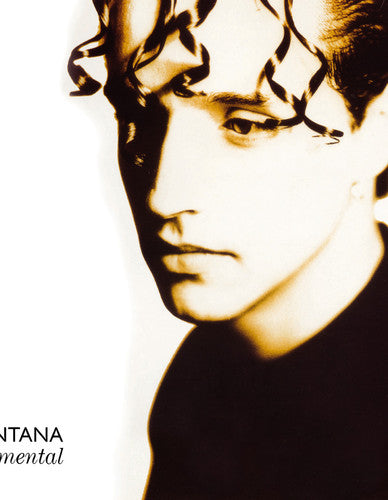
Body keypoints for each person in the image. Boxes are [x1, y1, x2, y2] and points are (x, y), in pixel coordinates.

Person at [69, 0, 388, 497]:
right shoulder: (207, 379)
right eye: (136, 112)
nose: (162, 195)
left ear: (379, 130)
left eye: (245, 124)